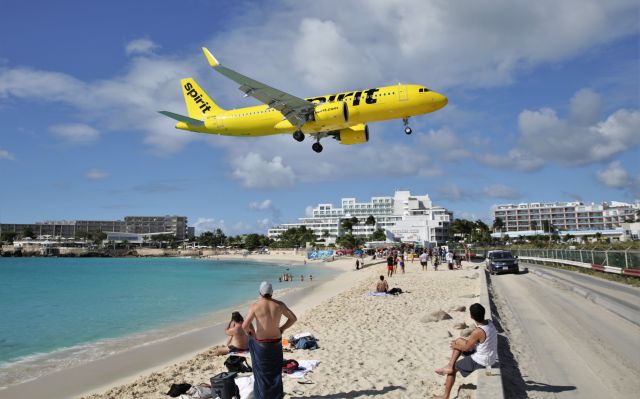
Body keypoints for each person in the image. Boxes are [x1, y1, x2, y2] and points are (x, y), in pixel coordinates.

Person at [243, 282, 297, 399]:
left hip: (262, 343)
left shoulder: (255, 306)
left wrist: (252, 333)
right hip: (276, 341)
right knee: (275, 371)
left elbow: (245, 325)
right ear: (272, 292)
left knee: (262, 372)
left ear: (260, 292)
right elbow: (293, 318)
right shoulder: (279, 305)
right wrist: (282, 328)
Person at [433, 303, 497, 399]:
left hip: (481, 360)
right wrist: (458, 343)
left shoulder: (478, 331)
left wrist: (455, 345)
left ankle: (445, 396)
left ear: (471, 316)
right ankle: (449, 365)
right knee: (459, 340)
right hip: (490, 357)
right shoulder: (489, 322)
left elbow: (466, 348)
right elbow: (477, 342)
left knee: (453, 369)